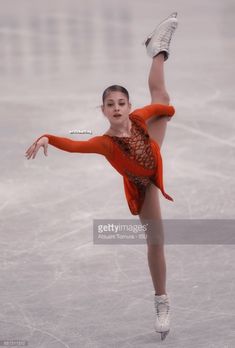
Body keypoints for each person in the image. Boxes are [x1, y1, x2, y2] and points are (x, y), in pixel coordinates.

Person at [25, 12, 178, 341]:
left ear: (127, 104)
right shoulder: (105, 144)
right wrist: (48, 137)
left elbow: (159, 107)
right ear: (103, 110)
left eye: (122, 102)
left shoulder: (138, 117)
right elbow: (76, 144)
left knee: (162, 98)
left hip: (152, 150)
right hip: (144, 184)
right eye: (111, 104)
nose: (117, 107)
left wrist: (166, 110)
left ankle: (158, 50)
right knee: (156, 242)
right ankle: (161, 301)